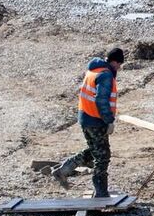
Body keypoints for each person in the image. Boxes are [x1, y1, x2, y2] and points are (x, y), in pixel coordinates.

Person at [51, 47, 122, 197]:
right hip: (96, 120)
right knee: (103, 156)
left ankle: (64, 170)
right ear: (114, 62)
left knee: (95, 151)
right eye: (119, 64)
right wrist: (109, 121)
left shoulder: (94, 71)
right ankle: (101, 192)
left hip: (85, 118)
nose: (119, 68)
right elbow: (101, 100)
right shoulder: (105, 75)